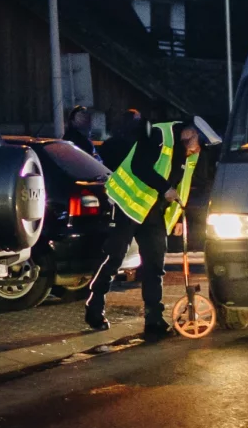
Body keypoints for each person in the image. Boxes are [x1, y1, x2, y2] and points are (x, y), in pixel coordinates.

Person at [85, 120, 201, 341]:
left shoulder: (189, 153)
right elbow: (139, 166)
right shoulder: (158, 134)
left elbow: (182, 186)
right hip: (128, 205)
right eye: (197, 142)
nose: (197, 149)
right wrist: (164, 188)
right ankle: (94, 306)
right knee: (114, 258)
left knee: (155, 265)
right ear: (190, 132)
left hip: (153, 212)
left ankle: (154, 319)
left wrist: (177, 217)